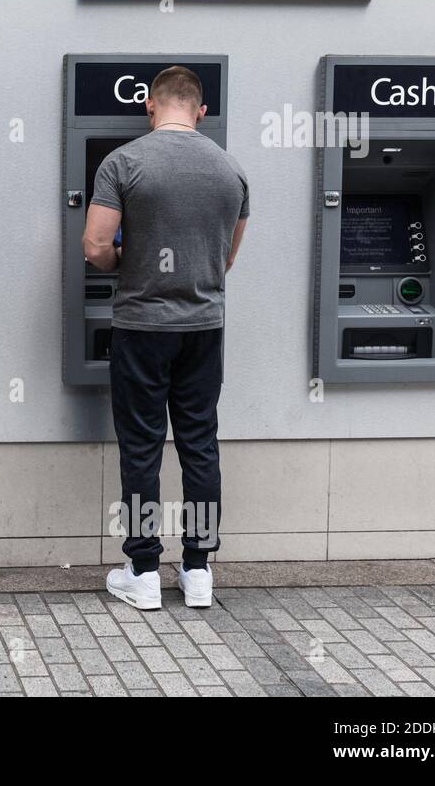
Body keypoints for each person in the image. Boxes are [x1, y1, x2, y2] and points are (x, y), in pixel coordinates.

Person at [82, 66, 249, 611]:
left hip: (142, 328)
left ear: (150, 107)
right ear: (201, 111)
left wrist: (130, 259)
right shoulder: (231, 171)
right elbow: (226, 258)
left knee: (142, 448)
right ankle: (199, 570)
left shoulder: (124, 162)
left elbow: (95, 247)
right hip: (205, 329)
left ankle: (144, 570)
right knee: (200, 445)